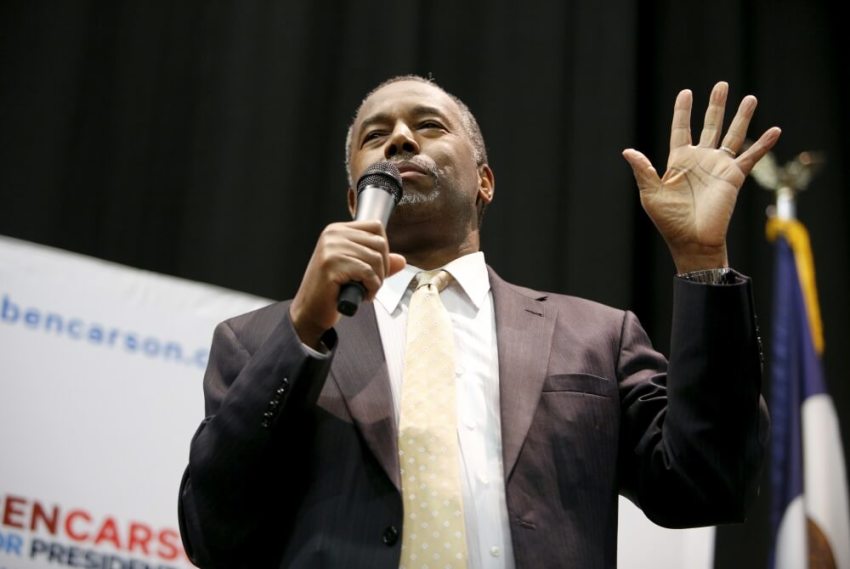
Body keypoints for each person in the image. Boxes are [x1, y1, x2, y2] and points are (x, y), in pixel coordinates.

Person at [177, 75, 778, 569]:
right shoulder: (259, 342)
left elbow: (708, 481)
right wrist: (304, 331)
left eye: (429, 126)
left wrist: (702, 263)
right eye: (376, 135)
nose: (401, 140)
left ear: (484, 182)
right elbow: (214, 533)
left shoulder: (595, 336)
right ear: (352, 196)